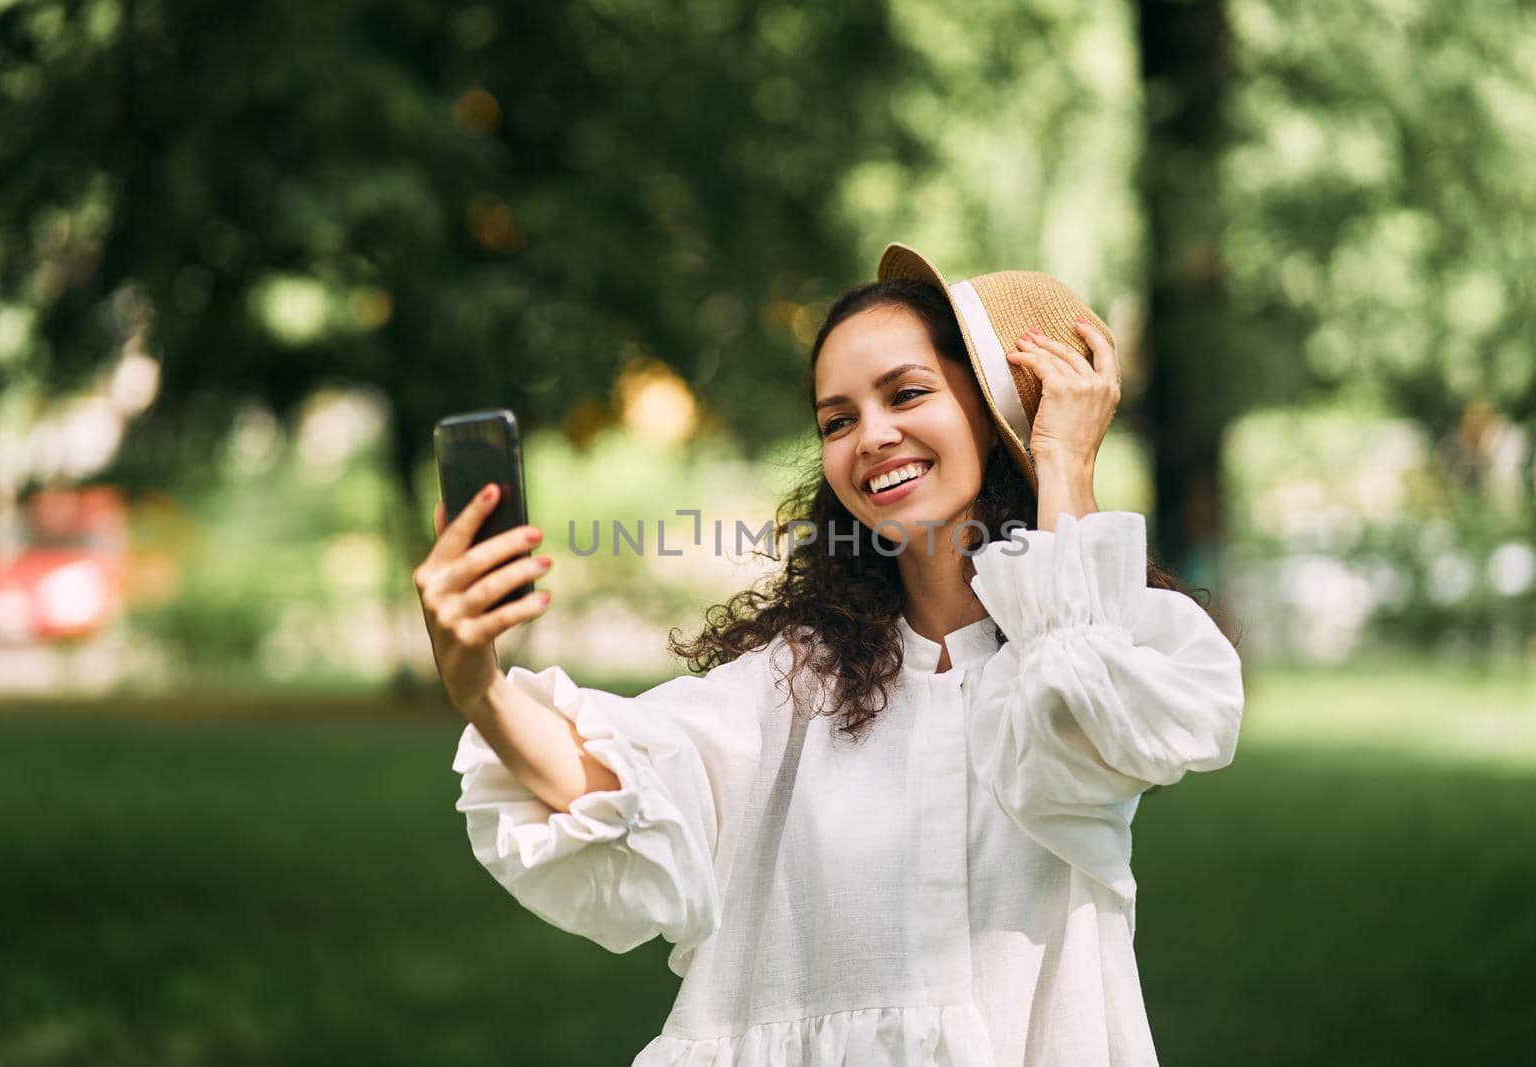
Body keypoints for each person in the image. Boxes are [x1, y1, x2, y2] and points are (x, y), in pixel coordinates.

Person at [412, 243, 1245, 1066]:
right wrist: (477, 682)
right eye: (837, 420)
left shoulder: (1103, 655)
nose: (871, 437)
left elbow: (1088, 724)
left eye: (906, 394)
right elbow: (619, 783)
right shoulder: (797, 680)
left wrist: (1062, 457)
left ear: (993, 421)